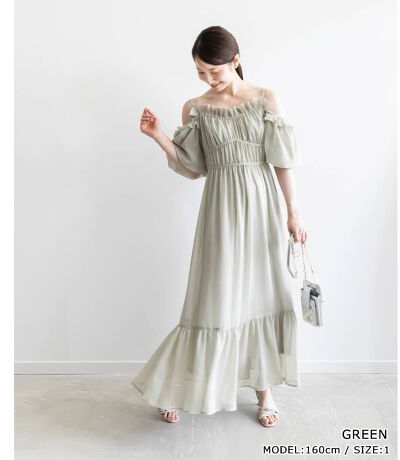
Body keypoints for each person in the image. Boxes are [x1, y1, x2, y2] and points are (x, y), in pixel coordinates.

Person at [133, 25, 307, 428]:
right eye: (200, 72)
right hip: (221, 211)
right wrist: (158, 135)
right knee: (212, 300)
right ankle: (174, 387)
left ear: (236, 60)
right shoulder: (195, 108)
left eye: (214, 71)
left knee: (262, 297)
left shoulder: (265, 98)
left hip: (262, 207)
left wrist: (293, 211)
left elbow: (281, 160)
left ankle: (265, 393)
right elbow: (193, 168)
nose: (208, 79)